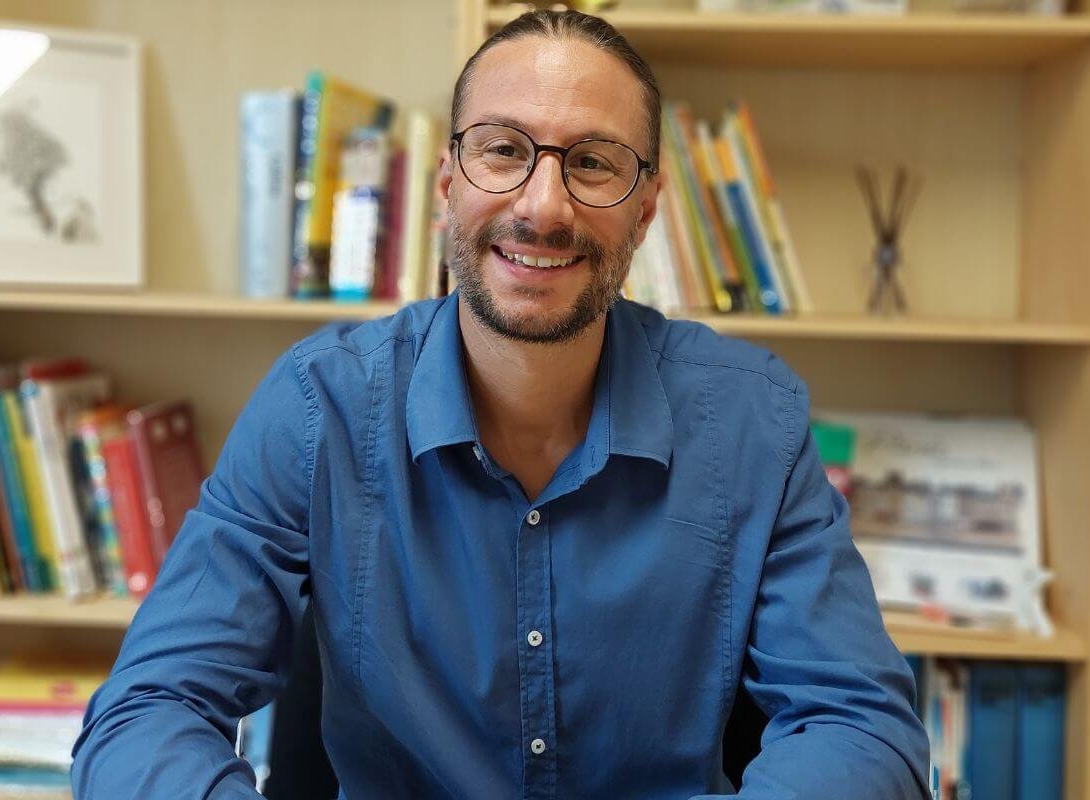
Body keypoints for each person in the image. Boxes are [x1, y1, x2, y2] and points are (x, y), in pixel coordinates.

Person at [72, 10, 930, 799]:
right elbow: (146, 710)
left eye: (592, 162)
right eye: (502, 149)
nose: (542, 205)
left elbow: (863, 729)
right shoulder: (318, 405)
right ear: (447, 182)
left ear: (647, 209)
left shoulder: (754, 422)